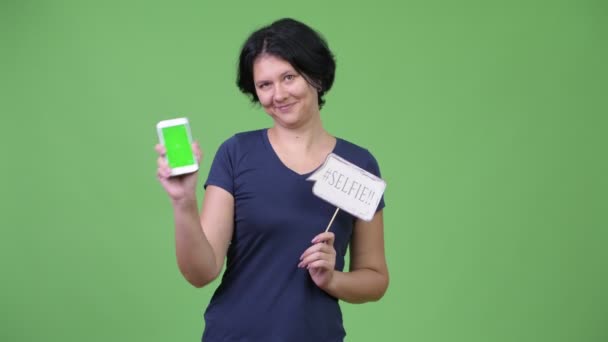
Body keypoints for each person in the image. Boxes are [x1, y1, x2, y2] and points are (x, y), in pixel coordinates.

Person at [156, 18, 388, 342]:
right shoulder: (236, 154)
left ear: (317, 76)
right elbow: (201, 272)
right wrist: (183, 201)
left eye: (289, 77)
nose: (278, 94)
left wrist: (332, 279)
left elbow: (375, 279)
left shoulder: (358, 164)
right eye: (265, 85)